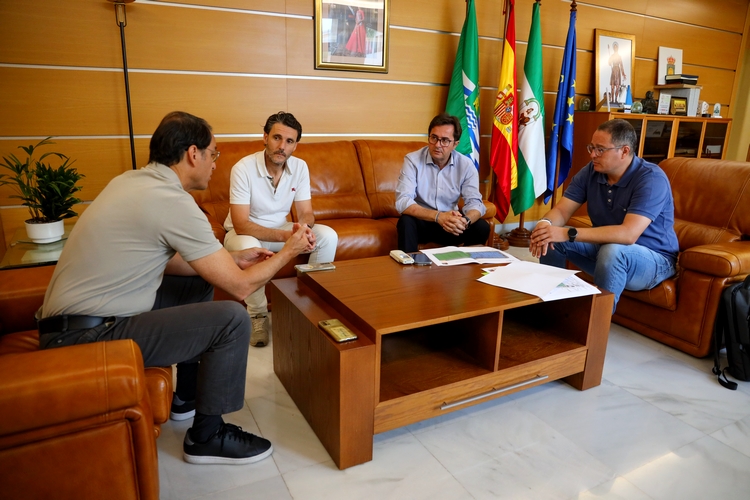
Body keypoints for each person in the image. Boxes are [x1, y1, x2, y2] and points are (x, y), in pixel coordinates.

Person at [38, 111, 315, 465]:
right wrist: (290, 250)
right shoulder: (172, 201)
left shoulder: (130, 181)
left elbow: (163, 260)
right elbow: (241, 288)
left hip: (74, 324)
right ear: (193, 154)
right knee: (232, 319)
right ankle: (207, 436)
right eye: (213, 154)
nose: (215, 164)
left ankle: (185, 396)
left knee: (197, 278)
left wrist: (231, 259)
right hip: (88, 338)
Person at [529, 119, 678, 310]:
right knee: (551, 239)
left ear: (624, 151)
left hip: (655, 259)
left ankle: (596, 322)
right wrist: (545, 224)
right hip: (605, 249)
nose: (593, 154)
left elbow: (628, 234)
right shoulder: (591, 171)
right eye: (591, 147)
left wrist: (567, 233)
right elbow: (561, 210)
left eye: (600, 149)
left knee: (612, 250)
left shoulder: (651, 179)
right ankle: (550, 307)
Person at [223, 112, 338, 347]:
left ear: (295, 145)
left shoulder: (300, 167)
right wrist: (288, 237)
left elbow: (306, 212)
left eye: (289, 141)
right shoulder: (242, 168)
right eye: (277, 138)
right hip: (244, 234)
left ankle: (309, 307)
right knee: (248, 245)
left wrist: (304, 229)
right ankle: (257, 316)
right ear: (265, 137)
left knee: (327, 236)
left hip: (280, 229)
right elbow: (241, 224)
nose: (282, 146)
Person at [395, 113, 490, 253]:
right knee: (406, 222)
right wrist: (438, 216)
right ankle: (409, 264)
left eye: (445, 140)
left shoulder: (466, 165)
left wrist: (465, 221)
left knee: (482, 226)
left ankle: (467, 264)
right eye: (434, 138)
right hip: (424, 221)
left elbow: (475, 203)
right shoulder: (413, 160)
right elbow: (403, 201)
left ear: (455, 144)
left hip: (451, 225)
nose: (437, 145)